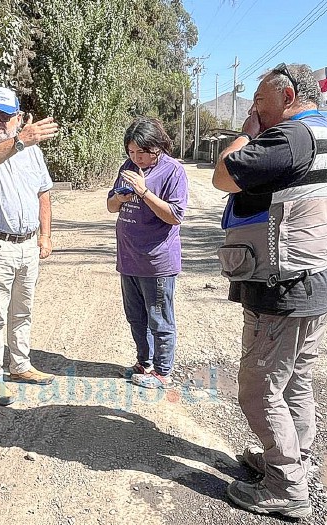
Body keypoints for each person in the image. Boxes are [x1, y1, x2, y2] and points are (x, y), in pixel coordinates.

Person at [212, 63, 327, 518]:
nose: (255, 110)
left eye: (260, 102)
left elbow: (224, 175)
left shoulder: (289, 137)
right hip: (313, 284)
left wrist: (245, 134)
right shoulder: (325, 136)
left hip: (284, 289)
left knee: (256, 388)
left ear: (287, 98)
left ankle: (286, 485)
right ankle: (290, 461)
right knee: (294, 383)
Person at [0, 87, 59, 406]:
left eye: (5, 115)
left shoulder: (32, 150)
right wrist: (18, 142)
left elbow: (43, 192)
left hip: (28, 244)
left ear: (18, 117)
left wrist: (45, 235)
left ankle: (19, 365)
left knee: (23, 311)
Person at [106, 117, 188, 390]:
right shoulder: (127, 167)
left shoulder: (173, 171)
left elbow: (175, 216)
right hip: (128, 257)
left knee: (159, 317)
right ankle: (144, 362)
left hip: (157, 261)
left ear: (157, 147)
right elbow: (110, 206)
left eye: (142, 152)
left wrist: (143, 192)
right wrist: (120, 197)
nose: (136, 157)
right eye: (131, 152)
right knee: (136, 316)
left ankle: (163, 372)